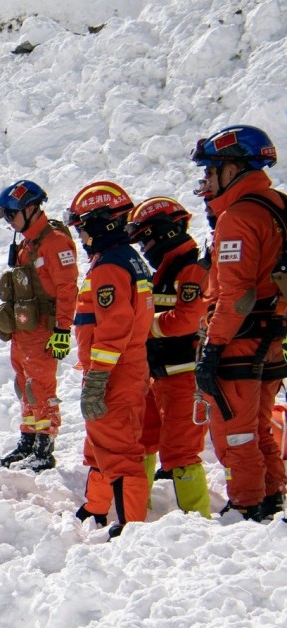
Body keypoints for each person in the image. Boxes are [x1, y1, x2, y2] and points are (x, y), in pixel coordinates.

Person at [190, 124, 287, 521]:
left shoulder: (239, 216)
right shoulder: (279, 205)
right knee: (260, 427)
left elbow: (236, 295)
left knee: (236, 431)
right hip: (273, 336)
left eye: (211, 171)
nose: (207, 181)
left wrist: (212, 348)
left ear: (232, 169)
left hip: (241, 340)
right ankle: (270, 497)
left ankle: (245, 505)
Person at [65, 181, 154, 536]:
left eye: (83, 227)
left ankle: (131, 526)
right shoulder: (126, 259)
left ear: (103, 224)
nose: (82, 236)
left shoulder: (110, 268)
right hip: (124, 367)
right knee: (101, 443)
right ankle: (96, 506)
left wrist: (98, 377)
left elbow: (114, 328)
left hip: (114, 371)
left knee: (118, 449)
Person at [125, 196, 211, 517]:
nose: (144, 246)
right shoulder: (163, 270)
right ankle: (136, 508)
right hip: (156, 372)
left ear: (165, 231)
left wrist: (144, 326)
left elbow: (186, 320)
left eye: (146, 237)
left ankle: (198, 517)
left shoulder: (192, 270)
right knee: (143, 439)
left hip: (185, 376)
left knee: (180, 450)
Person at [0, 180, 80, 471]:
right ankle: (28, 440)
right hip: (24, 330)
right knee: (24, 386)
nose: (9, 222)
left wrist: (63, 330)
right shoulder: (28, 241)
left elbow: (68, 288)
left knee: (41, 387)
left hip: (43, 329)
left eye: (11, 215)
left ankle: (45, 446)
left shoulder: (53, 241)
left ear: (29, 209)